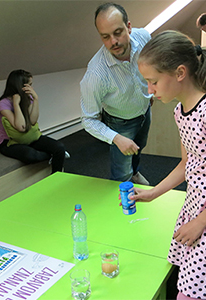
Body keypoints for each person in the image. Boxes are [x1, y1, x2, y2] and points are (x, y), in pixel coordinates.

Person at [135, 31, 206, 300]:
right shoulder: (180, 111)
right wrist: (153, 192)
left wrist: (201, 222)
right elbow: (188, 163)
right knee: (201, 288)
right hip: (196, 208)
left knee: (192, 292)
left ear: (180, 72)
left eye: (153, 82)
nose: (150, 90)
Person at [80, 2, 153, 185]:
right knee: (121, 174)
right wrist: (116, 138)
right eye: (105, 37)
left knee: (138, 148)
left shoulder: (144, 36)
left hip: (145, 111)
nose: (113, 42)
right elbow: (88, 120)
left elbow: (154, 63)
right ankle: (125, 187)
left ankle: (135, 173)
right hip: (119, 123)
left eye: (118, 32)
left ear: (129, 27)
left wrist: (150, 92)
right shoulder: (95, 74)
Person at [0, 69, 66, 173]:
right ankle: (54, 156)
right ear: (20, 86)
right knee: (30, 155)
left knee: (59, 147)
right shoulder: (3, 103)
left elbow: (32, 121)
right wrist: (16, 104)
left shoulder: (28, 98)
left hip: (29, 136)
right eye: (29, 85)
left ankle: (57, 177)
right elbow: (21, 127)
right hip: (9, 142)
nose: (31, 88)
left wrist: (35, 99)